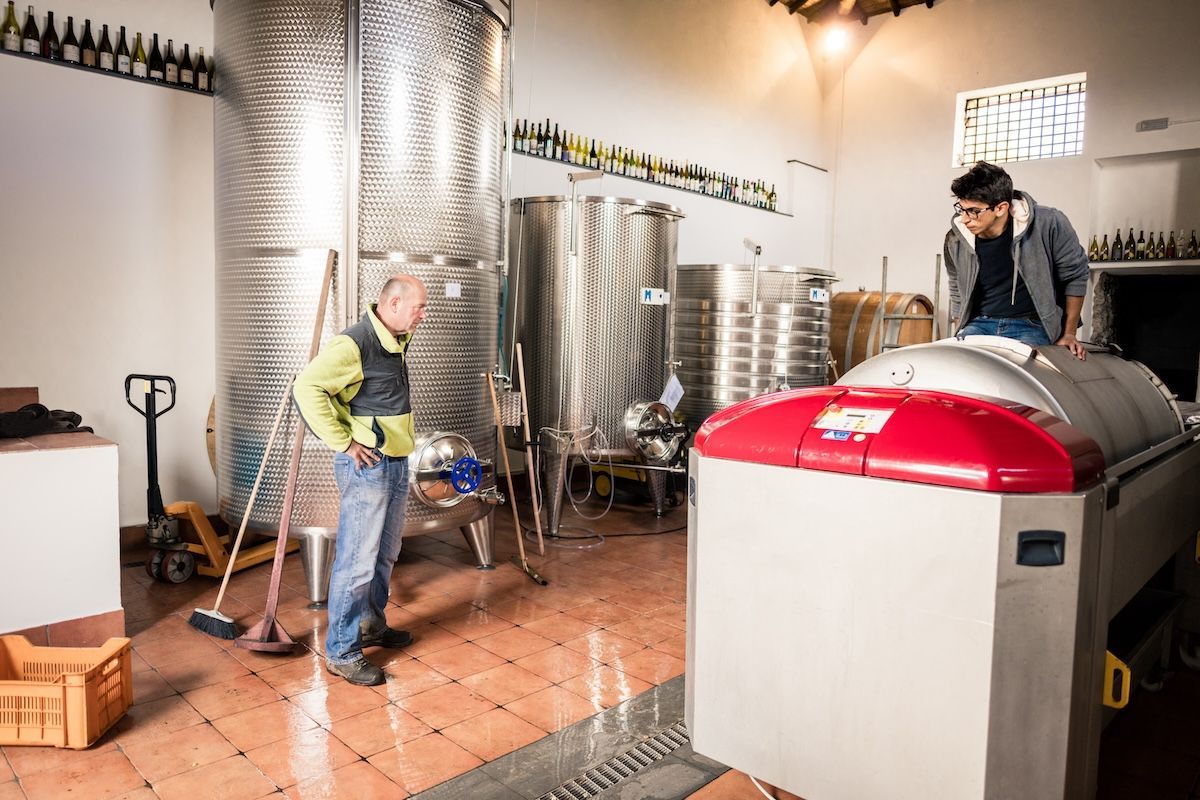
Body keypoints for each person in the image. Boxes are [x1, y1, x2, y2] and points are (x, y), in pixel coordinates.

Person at [293, 274, 428, 685]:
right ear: (391, 305)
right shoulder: (355, 343)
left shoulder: (395, 339)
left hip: (395, 463)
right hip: (368, 466)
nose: (423, 314)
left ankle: (371, 624)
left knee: (385, 553)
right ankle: (342, 650)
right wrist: (345, 442)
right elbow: (307, 387)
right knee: (356, 560)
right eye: (418, 306)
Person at [944, 161, 1089, 360]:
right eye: (962, 209)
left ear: (1001, 208)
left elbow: (1076, 276)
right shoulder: (956, 239)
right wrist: (961, 327)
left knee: (1018, 379)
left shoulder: (1049, 223)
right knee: (952, 363)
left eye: (974, 211)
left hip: (1032, 324)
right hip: (980, 323)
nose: (965, 219)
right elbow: (956, 285)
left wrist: (1069, 333)